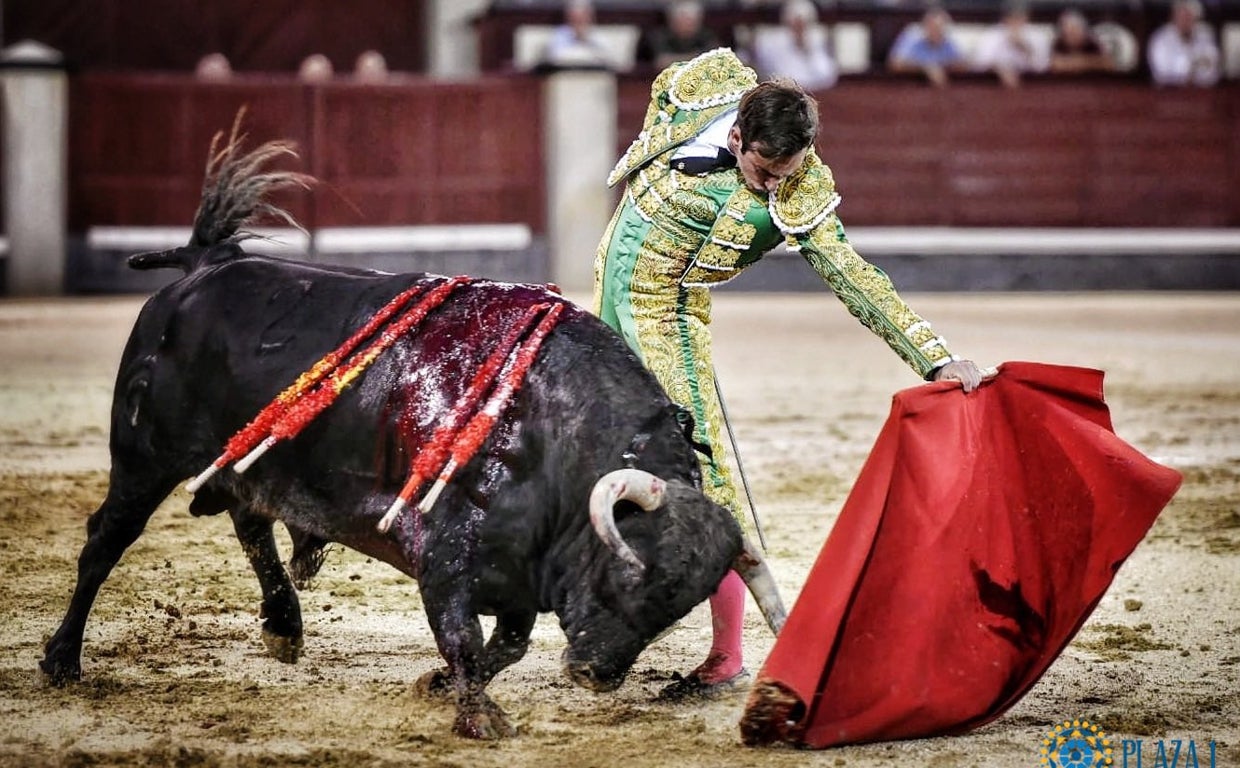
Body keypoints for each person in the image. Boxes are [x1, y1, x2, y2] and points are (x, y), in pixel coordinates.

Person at [592, 47, 982, 700]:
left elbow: (854, 278)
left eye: (788, 172)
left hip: (667, 321)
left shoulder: (803, 191)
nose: (776, 186)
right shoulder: (700, 92)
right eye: (765, 170)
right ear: (738, 134)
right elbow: (662, 98)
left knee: (705, 482)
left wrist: (935, 356)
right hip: (607, 287)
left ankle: (725, 657)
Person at [750, 0, 839, 90]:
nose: (800, 26)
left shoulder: (816, 39)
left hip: (815, 91)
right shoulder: (771, 42)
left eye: (803, 22)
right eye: (796, 22)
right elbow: (777, 76)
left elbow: (828, 76)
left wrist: (806, 49)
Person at [972, 1, 1050, 88]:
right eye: (1011, 16)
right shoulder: (991, 35)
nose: (1015, 20)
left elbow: (1043, 66)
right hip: (996, 87)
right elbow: (979, 64)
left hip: (1032, 86)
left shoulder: (1037, 36)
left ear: (1026, 16)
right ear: (1004, 17)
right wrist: (999, 69)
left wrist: (1024, 47)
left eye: (1019, 16)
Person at [886, 6, 968, 87]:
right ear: (925, 27)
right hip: (910, 87)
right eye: (932, 27)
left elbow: (963, 66)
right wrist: (925, 67)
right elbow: (894, 64)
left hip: (941, 89)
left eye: (940, 28)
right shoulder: (912, 36)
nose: (936, 32)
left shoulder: (949, 42)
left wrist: (941, 68)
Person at [1147, 0, 1221, 87]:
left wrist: (1191, 71)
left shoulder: (1205, 34)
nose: (1185, 21)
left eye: (1189, 17)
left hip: (1201, 91)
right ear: (1173, 17)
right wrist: (1194, 65)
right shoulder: (1160, 38)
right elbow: (1162, 73)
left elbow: (1214, 69)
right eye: (1181, 16)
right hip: (1169, 93)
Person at [636, 0, 720, 70]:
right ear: (672, 21)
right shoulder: (658, 36)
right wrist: (696, 57)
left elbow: (714, 59)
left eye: (691, 22)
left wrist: (676, 59)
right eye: (683, 21)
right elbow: (662, 62)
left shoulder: (706, 35)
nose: (687, 26)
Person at [539, 0, 616, 70]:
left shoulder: (599, 36)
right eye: (575, 17)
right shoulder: (558, 35)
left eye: (582, 16)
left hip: (593, 78)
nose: (579, 21)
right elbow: (555, 59)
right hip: (566, 77)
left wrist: (586, 40)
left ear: (589, 16)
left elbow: (609, 61)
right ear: (568, 17)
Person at [1049, 9, 1115, 74]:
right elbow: (1055, 65)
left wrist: (1074, 62)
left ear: (1084, 32)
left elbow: (1108, 64)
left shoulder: (1092, 42)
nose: (1072, 37)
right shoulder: (1058, 43)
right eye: (1068, 33)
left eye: (1075, 32)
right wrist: (1089, 62)